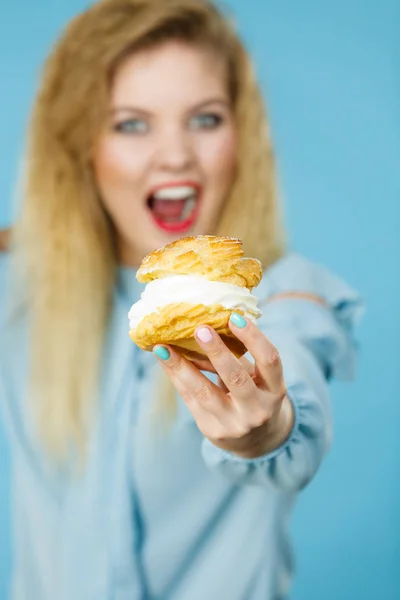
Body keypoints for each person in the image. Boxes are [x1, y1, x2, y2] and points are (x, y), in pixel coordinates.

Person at [0, 0, 363, 598]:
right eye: (131, 123)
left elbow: (294, 400)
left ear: (240, 137)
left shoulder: (282, 293)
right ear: (79, 146)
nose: (175, 155)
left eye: (205, 119)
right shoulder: (21, 290)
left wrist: (263, 430)